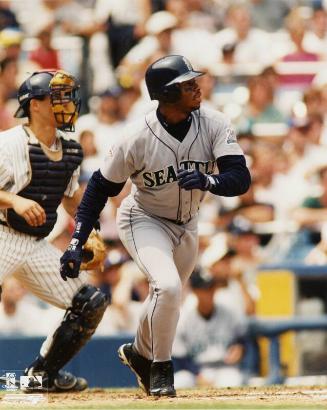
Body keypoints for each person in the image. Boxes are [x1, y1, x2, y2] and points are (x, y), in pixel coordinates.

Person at [60, 54, 251, 397]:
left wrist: (208, 181)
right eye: (187, 84)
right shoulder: (135, 136)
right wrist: (77, 240)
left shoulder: (214, 122)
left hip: (188, 223)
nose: (197, 87)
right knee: (168, 287)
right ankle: (160, 369)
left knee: (166, 297)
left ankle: (138, 352)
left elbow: (240, 178)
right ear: (166, 93)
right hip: (144, 218)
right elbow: (99, 191)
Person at [0, 70, 108, 392]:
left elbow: (72, 201)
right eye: (58, 96)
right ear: (34, 104)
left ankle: (42, 375)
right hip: (2, 233)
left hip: (35, 244)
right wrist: (13, 201)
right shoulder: (8, 143)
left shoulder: (71, 151)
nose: (68, 103)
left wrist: (87, 231)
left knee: (90, 301)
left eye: (68, 96)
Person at [173, 269, 247, 388]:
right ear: (195, 291)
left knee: (233, 381)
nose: (209, 292)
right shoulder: (183, 318)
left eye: (211, 287)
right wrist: (197, 375)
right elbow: (179, 357)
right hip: (195, 371)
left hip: (225, 368)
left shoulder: (229, 313)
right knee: (179, 381)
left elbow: (242, 339)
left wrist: (240, 348)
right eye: (204, 289)